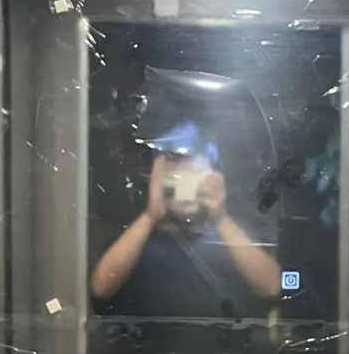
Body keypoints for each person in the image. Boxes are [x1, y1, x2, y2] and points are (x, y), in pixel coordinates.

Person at [90, 135, 282, 330]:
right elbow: (101, 288)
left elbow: (271, 287)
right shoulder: (135, 240)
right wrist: (150, 216)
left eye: (196, 177)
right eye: (176, 178)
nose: (186, 187)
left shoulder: (233, 240)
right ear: (157, 182)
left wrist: (221, 219)